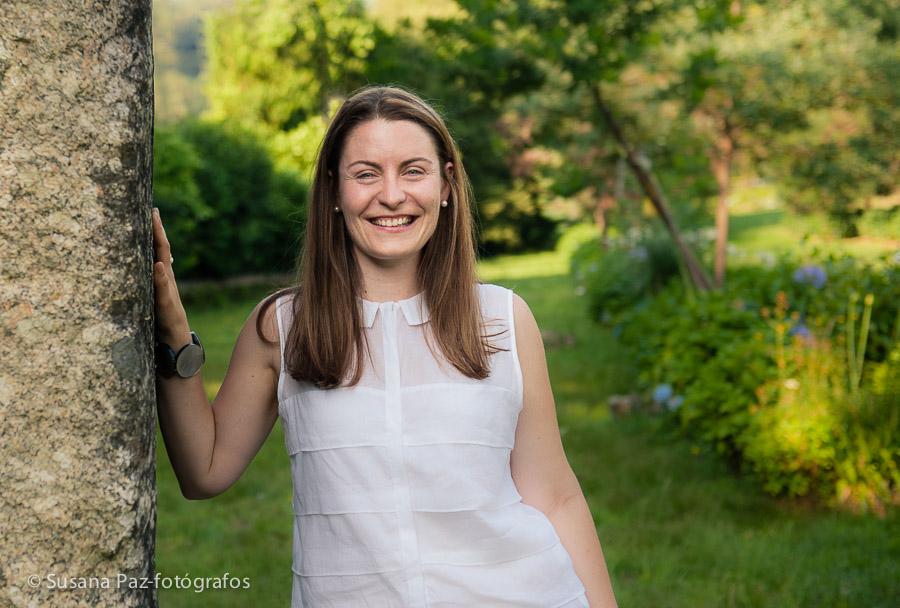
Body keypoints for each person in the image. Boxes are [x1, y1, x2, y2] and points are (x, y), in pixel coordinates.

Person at [152, 85, 618, 608]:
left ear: (446, 186)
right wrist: (174, 338)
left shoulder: (505, 319)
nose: (392, 195)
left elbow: (555, 496)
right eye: (366, 173)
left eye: (413, 171)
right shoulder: (282, 326)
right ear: (333, 190)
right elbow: (204, 472)